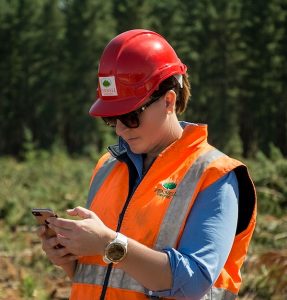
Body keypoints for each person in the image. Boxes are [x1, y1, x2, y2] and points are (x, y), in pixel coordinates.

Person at [38, 29, 256, 300]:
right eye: (111, 118)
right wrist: (68, 259)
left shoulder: (214, 175)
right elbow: (108, 280)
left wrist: (108, 242)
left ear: (168, 101)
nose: (119, 129)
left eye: (129, 116)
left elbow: (194, 283)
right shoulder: (108, 166)